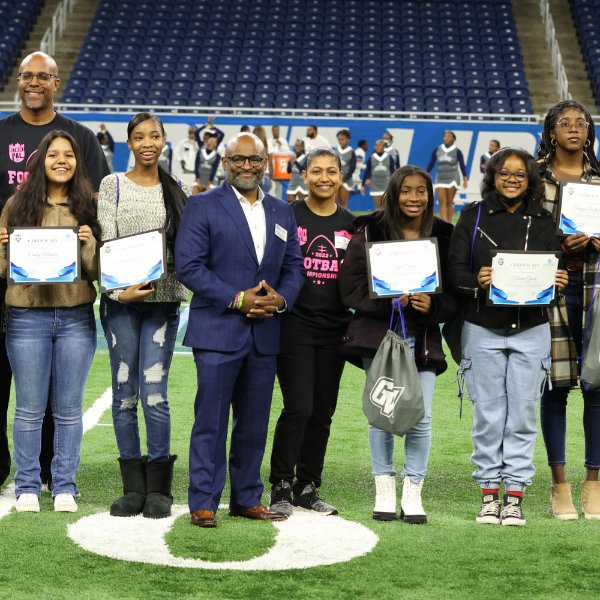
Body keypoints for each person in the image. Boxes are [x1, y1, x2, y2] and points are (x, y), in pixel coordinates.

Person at [174, 132, 305, 528]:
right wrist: (237, 299)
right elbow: (190, 266)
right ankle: (204, 501)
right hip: (218, 331)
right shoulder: (201, 206)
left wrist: (279, 301)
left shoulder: (283, 210)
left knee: (253, 423)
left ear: (265, 163)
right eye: (238, 159)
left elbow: (294, 267)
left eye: (254, 160)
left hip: (264, 334)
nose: (246, 166)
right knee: (210, 421)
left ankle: (247, 497)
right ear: (225, 162)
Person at [0, 51, 109, 492]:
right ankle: (12, 472)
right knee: (14, 388)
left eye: (43, 76)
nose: (34, 83)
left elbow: (102, 207)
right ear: (18, 81)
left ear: (56, 82)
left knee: (57, 399)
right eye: (27, 76)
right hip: (10, 279)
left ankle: (49, 474)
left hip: (68, 293)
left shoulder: (80, 137)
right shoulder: (1, 132)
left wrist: (94, 249)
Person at [448, 148, 568, 526]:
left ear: (530, 178)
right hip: (482, 327)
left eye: (520, 174)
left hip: (532, 329)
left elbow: (554, 275)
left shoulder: (546, 221)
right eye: (505, 173)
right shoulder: (472, 215)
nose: (512, 179)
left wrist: (559, 284)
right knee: (488, 415)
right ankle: (488, 493)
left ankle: (514, 494)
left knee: (522, 415)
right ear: (493, 176)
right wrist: (476, 282)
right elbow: (454, 273)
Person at [339, 166, 455, 523]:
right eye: (406, 191)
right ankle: (384, 487)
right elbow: (351, 287)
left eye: (421, 192)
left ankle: (413, 491)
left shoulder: (444, 235)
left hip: (421, 340)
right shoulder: (371, 230)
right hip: (381, 339)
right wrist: (386, 302)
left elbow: (455, 295)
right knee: (382, 414)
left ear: (429, 196)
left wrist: (432, 306)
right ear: (393, 194)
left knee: (421, 416)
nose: (414, 198)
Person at [97, 112, 189, 519]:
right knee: (123, 395)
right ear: (129, 143)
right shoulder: (111, 185)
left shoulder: (178, 188)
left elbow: (184, 249)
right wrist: (120, 291)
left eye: (154, 135)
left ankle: (159, 489)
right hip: (120, 302)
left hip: (162, 302)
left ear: (164, 140)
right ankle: (132, 488)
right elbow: (105, 244)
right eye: (139, 136)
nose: (147, 142)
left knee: (154, 393)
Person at [269, 148, 354, 517]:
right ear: (304, 175)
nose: (324, 177)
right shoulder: (287, 215)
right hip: (294, 326)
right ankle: (281, 483)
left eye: (331, 171)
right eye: (316, 171)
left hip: (335, 329)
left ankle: (308, 484)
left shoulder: (352, 224)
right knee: (299, 407)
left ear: (341, 176)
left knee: (323, 411)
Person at [537, 100, 600, 520]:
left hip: (596, 285)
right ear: (552, 132)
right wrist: (560, 247)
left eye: (582, 123)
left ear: (589, 134)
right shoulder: (534, 179)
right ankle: (559, 484)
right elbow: (523, 232)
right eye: (565, 123)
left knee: (597, 385)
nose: (574, 129)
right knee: (554, 386)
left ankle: (593, 482)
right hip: (551, 287)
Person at [426, 131, 468, 223]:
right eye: (445, 136)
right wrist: (425, 173)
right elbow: (431, 163)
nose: (446, 138)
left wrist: (465, 178)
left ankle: (449, 223)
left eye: (448, 136)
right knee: (442, 201)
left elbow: (462, 165)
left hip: (453, 177)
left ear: (453, 139)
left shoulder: (457, 151)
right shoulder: (437, 150)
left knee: (449, 201)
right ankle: (444, 223)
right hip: (440, 177)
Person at [361, 139, 395, 210]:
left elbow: (393, 172)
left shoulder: (389, 157)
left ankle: (387, 221)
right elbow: (367, 171)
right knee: (377, 207)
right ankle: (378, 221)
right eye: (376, 145)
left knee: (386, 207)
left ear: (383, 147)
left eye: (380, 145)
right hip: (375, 184)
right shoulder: (371, 158)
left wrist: (394, 184)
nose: (378, 147)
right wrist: (363, 184)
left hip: (386, 184)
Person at [335, 129, 356, 209]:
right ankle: (333, 220)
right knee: (334, 202)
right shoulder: (335, 151)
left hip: (346, 181)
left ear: (348, 139)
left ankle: (345, 221)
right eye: (339, 140)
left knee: (343, 203)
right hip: (336, 179)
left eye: (343, 139)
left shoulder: (351, 152)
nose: (341, 141)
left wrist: (343, 180)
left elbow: (352, 168)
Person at [268, 125, 290, 199]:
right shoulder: (269, 141)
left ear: (279, 131)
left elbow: (287, 153)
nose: (276, 132)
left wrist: (281, 145)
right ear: (272, 131)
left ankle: (278, 200)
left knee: (279, 186)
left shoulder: (283, 141)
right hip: (271, 167)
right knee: (271, 186)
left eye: (277, 130)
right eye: (274, 130)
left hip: (280, 168)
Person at [253, 126, 272, 193]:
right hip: (265, 175)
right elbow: (270, 164)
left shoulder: (251, 145)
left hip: (253, 174)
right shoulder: (268, 145)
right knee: (264, 202)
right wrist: (271, 179)